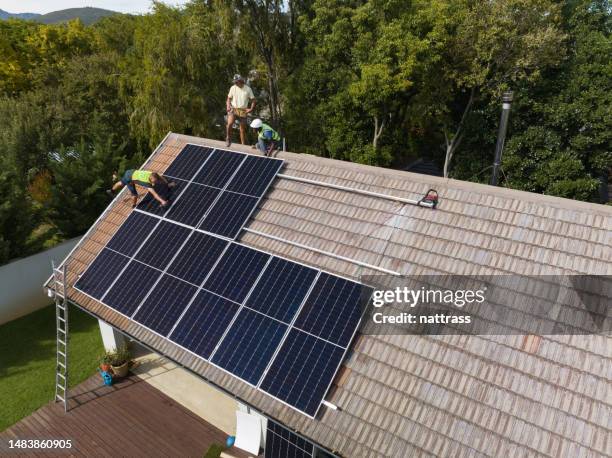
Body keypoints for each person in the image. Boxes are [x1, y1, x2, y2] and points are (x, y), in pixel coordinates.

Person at [106, 170, 174, 208]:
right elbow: (154, 194)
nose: (155, 182)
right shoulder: (146, 182)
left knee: (121, 182)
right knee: (135, 195)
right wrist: (163, 201)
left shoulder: (152, 174)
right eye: (154, 181)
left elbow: (160, 177)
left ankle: (111, 190)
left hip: (131, 172)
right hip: (129, 179)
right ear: (150, 179)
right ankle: (133, 205)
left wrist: (167, 184)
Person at [226, 74, 256, 146]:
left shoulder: (248, 89)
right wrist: (228, 106)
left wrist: (251, 109)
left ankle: (243, 144)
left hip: (243, 110)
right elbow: (228, 99)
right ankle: (228, 138)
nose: (235, 83)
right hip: (234, 109)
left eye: (237, 82)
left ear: (240, 81)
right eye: (235, 82)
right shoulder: (233, 88)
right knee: (229, 124)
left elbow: (253, 100)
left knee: (242, 129)